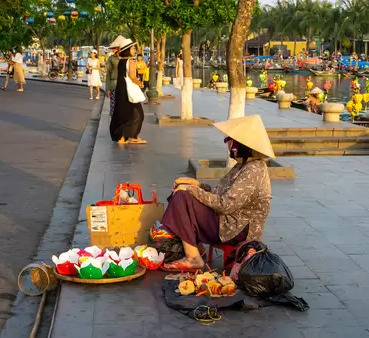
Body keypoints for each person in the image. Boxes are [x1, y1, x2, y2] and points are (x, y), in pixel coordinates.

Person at [161, 115, 274, 271]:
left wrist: (191, 190)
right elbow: (218, 193)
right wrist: (196, 184)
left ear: (240, 145)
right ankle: (195, 248)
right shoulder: (243, 166)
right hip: (228, 221)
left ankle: (193, 258)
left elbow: (225, 205)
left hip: (237, 229)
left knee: (182, 198)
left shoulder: (253, 171)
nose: (228, 145)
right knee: (183, 194)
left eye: (229, 140)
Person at [109, 39, 145, 144]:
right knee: (138, 114)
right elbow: (133, 77)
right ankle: (132, 136)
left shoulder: (121, 61)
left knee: (123, 112)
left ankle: (122, 137)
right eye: (133, 48)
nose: (134, 50)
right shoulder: (131, 61)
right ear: (128, 50)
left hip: (121, 89)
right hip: (129, 91)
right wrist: (140, 84)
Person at [106, 35, 125, 116]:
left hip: (125, 86)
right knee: (114, 109)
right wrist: (107, 88)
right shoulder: (111, 58)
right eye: (117, 47)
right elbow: (108, 74)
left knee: (123, 109)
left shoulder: (128, 58)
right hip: (114, 85)